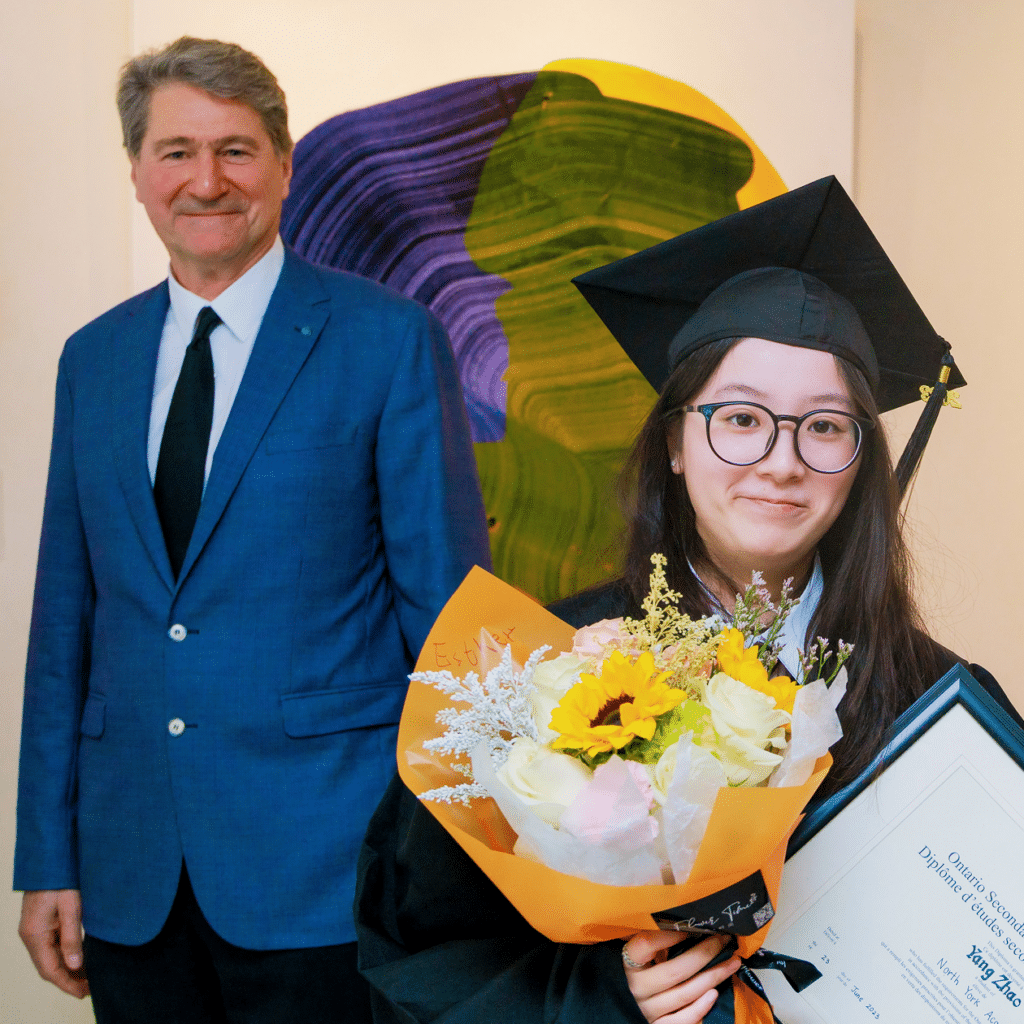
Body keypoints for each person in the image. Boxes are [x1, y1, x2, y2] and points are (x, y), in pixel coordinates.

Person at [355, 178, 1024, 1024]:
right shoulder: (539, 668)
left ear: (859, 465)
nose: (782, 461)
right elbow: (416, 957)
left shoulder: (939, 709)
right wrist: (603, 996)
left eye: (824, 426)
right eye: (740, 419)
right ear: (675, 439)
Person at [14, 36, 491, 1024]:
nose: (206, 180)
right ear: (140, 176)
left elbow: (447, 616)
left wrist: (455, 864)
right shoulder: (91, 359)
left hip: (325, 866)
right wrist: (46, 860)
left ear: (283, 164)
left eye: (235, 149)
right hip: (130, 868)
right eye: (176, 151)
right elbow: (66, 625)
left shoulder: (388, 340)